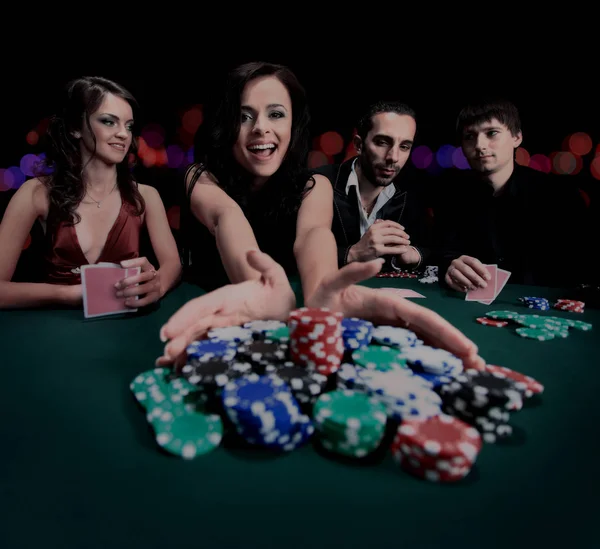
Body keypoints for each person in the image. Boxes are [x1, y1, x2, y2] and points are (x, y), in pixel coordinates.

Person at [161, 61, 485, 371]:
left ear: (292, 124)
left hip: (282, 326)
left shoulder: (315, 185)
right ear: (227, 124)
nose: (261, 127)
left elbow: (315, 235)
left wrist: (323, 298)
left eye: (276, 114)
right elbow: (226, 217)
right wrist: (260, 287)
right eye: (244, 116)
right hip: (208, 319)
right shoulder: (200, 176)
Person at [0, 76, 182, 309]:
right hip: (56, 328)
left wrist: (158, 285)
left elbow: (172, 265)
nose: (124, 134)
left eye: (128, 125)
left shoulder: (146, 196)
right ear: (76, 128)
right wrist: (73, 294)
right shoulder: (35, 193)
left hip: (124, 329)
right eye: (109, 122)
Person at [435, 97, 588, 292]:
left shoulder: (560, 197)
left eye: (492, 133)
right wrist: (451, 266)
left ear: (517, 137)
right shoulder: (452, 197)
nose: (480, 145)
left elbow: (580, 268)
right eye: (469, 137)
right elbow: (444, 253)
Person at [312, 100, 433, 272]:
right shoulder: (318, 183)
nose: (393, 157)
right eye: (383, 142)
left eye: (404, 146)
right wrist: (351, 254)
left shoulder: (412, 197)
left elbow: (433, 248)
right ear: (359, 145)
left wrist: (413, 255)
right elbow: (283, 251)